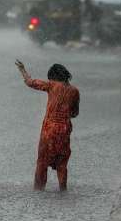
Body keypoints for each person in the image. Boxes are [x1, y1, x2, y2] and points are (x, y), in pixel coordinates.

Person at [15, 60, 80, 192]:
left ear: (52, 76)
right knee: (62, 164)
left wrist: (22, 70)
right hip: (65, 129)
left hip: (49, 129)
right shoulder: (75, 91)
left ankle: (38, 192)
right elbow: (75, 113)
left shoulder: (51, 85)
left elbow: (31, 82)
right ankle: (63, 191)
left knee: (42, 162)